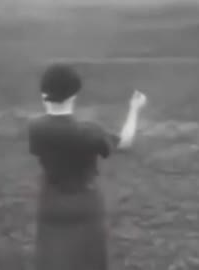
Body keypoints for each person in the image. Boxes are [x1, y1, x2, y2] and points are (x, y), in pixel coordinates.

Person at [28, 63, 147, 270]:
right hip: (85, 205)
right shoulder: (90, 132)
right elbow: (125, 142)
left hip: (50, 204)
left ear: (44, 95)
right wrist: (134, 109)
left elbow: (51, 124)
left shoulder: (35, 128)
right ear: (74, 95)